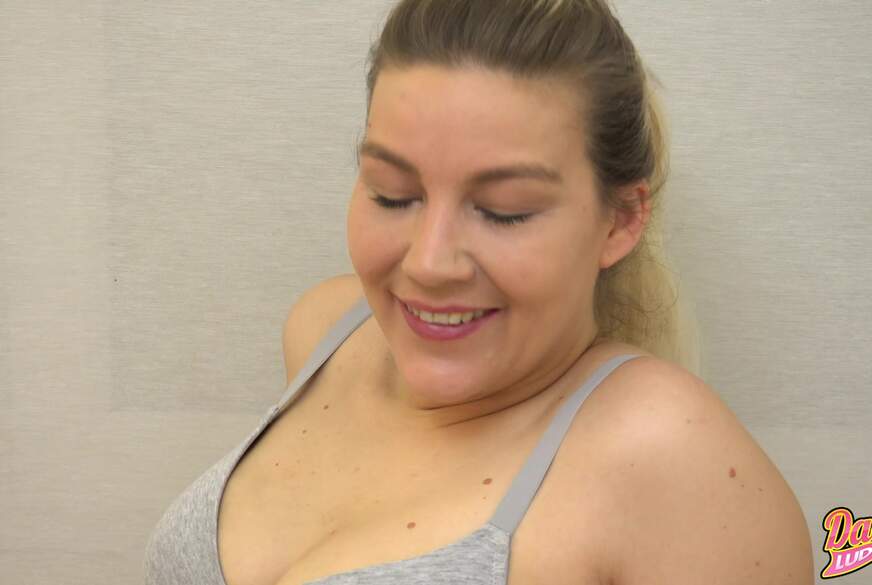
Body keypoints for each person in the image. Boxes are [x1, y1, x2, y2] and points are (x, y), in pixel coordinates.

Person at [145, 1, 814, 583]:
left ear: (619, 220)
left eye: (504, 210)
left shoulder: (674, 457)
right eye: (392, 194)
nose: (430, 263)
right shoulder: (325, 331)